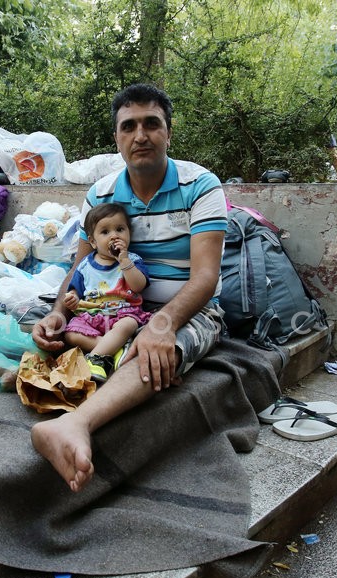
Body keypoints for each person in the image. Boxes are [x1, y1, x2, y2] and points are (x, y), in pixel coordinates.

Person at [30, 83, 228, 492]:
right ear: (117, 138)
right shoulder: (100, 194)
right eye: (129, 126)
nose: (141, 135)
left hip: (189, 308)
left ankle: (75, 424)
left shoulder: (201, 185)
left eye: (151, 124)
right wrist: (57, 311)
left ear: (168, 132)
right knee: (43, 325)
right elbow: (80, 267)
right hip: (108, 305)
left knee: (156, 350)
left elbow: (206, 278)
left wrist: (162, 324)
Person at [62, 202, 151, 383]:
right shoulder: (85, 266)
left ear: (129, 233)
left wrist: (124, 261)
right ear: (93, 242)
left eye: (120, 229)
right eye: (105, 232)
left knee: (128, 324)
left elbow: (138, 286)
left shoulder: (132, 260)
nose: (114, 236)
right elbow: (76, 290)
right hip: (92, 315)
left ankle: (96, 359)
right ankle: (114, 349)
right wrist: (72, 298)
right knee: (70, 334)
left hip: (123, 313)